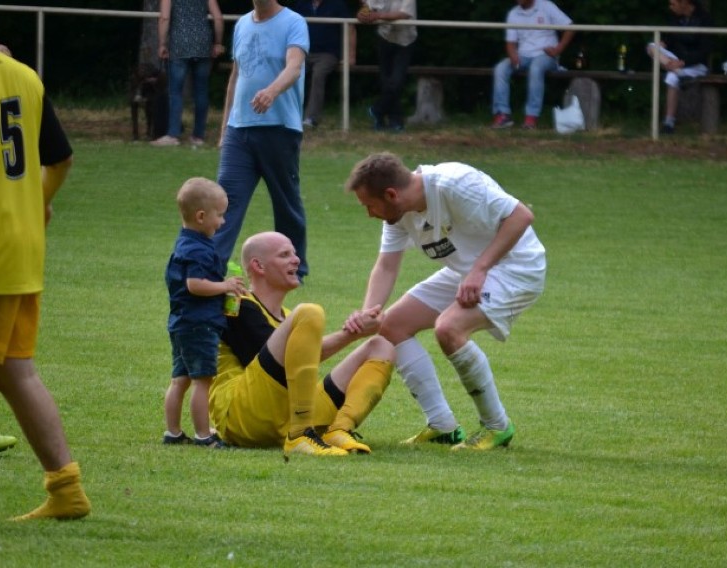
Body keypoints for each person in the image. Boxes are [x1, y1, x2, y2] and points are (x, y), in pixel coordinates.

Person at [0, 0, 90, 520]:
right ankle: (67, 490)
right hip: (20, 252)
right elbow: (60, 158)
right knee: (14, 371)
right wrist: (35, 204)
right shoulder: (23, 76)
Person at [344, 152, 546, 451]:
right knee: (391, 326)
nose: (369, 214)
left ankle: (497, 427)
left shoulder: (455, 183)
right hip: (470, 271)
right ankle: (442, 426)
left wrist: (480, 270)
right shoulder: (397, 214)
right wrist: (369, 313)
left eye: (370, 206)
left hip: (516, 267)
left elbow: (521, 216)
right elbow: (386, 265)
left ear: (391, 194)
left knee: (449, 328)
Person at [209, 231, 394, 457]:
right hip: (243, 419)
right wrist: (351, 334)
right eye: (285, 255)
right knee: (309, 312)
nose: (296, 259)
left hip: (287, 414)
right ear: (259, 266)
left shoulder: (289, 318)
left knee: (381, 346)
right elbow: (282, 360)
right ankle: (299, 434)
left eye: (295, 254)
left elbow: (291, 357)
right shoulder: (237, 305)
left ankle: (338, 429)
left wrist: (357, 332)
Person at [213, 0, 310, 281]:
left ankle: (294, 268)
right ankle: (211, 267)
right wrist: (224, 129)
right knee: (225, 202)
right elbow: (235, 77)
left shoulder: (294, 22)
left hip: (279, 128)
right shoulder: (242, 23)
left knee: (286, 202)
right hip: (238, 130)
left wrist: (272, 91)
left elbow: (294, 68)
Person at [164, 177, 246, 447]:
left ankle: (173, 433)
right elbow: (195, 285)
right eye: (219, 215)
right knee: (203, 381)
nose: (222, 222)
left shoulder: (186, 243)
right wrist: (225, 286)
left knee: (180, 380)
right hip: (199, 325)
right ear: (201, 216)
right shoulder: (196, 249)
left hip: (183, 323)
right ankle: (204, 436)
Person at [491, 0, 575, 130]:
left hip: (546, 55)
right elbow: (510, 43)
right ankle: (503, 115)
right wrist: (512, 54)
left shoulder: (546, 6)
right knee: (500, 68)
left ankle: (531, 118)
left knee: (535, 68)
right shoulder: (513, 13)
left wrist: (558, 49)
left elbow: (570, 26)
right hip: (523, 55)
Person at [151, 0, 225, 147]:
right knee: (201, 91)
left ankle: (173, 134)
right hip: (203, 42)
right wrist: (218, 43)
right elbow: (218, 18)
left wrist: (162, 44)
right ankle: (198, 135)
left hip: (179, 43)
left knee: (176, 92)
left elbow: (164, 18)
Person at [646, 0, 713, 134]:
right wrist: (663, 44)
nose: (670, 7)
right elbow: (670, 39)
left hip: (697, 65)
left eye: (673, 4)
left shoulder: (705, 20)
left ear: (684, 3)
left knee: (671, 77)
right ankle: (678, 72)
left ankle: (668, 123)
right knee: (651, 47)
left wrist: (684, 62)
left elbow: (705, 50)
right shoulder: (675, 19)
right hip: (677, 63)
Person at [292, 0, 356, 129]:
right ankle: (288, 116)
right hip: (304, 52)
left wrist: (350, 55)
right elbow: (290, 27)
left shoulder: (337, 4)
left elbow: (350, 28)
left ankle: (311, 118)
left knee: (318, 74)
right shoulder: (301, 4)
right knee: (291, 72)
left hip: (328, 54)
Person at [356, 0, 416, 132]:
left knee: (396, 82)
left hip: (405, 41)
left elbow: (404, 14)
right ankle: (393, 122)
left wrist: (377, 16)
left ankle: (377, 110)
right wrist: (363, 13)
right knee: (386, 82)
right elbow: (367, 5)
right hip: (385, 37)